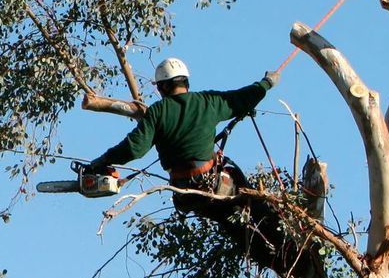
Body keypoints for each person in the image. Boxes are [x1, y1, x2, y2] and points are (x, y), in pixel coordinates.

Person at [86, 57, 277, 200]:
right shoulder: (207, 102)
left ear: (163, 87)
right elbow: (242, 98)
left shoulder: (157, 111)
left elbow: (134, 148)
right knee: (250, 199)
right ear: (186, 82)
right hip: (213, 185)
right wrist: (266, 83)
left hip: (183, 193)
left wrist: (104, 159)